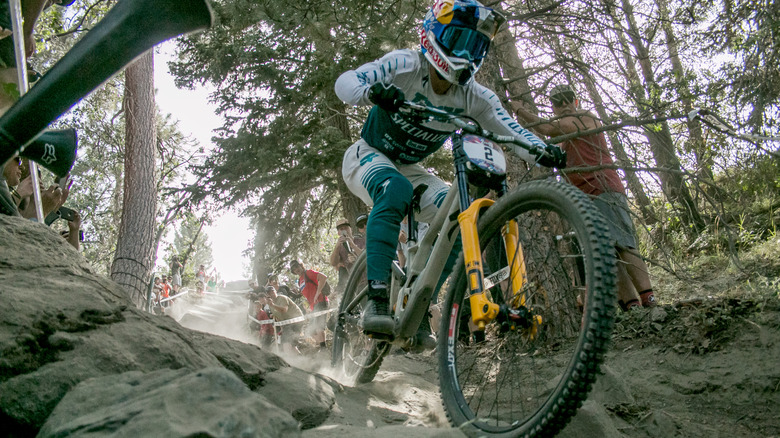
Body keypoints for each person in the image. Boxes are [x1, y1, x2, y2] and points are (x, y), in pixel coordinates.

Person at [334, 0, 566, 338]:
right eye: (457, 39)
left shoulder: (475, 96)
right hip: (366, 154)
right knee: (394, 189)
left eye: (475, 45)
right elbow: (346, 82)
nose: (465, 52)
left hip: (412, 168)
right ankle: (377, 301)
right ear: (433, 35)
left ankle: (419, 302)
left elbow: (512, 132)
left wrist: (543, 151)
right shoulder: (404, 64)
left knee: (460, 216)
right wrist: (372, 92)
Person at [513, 83, 656, 310]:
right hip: (585, 198)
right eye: (558, 102)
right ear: (553, 107)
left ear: (576, 101)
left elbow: (547, 128)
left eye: (568, 99)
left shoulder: (584, 118)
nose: (564, 105)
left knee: (624, 245)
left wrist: (519, 109)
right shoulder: (564, 133)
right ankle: (632, 306)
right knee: (605, 253)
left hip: (604, 189)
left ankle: (649, 299)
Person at [289, 259, 330, 351]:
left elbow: (323, 277)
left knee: (319, 327)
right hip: (314, 306)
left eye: (297, 266)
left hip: (321, 301)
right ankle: (322, 347)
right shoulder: (300, 281)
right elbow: (308, 293)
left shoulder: (309, 273)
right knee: (310, 331)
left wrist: (318, 292)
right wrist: (308, 306)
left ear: (301, 265)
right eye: (294, 269)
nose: (296, 269)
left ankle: (323, 349)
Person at [262, 285, 304, 355]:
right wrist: (282, 327)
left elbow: (284, 310)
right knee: (292, 345)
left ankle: (290, 361)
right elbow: (277, 316)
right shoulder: (270, 304)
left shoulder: (282, 298)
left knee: (286, 343)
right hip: (287, 323)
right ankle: (301, 359)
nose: (271, 294)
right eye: (269, 293)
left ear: (275, 291)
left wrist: (273, 305)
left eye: (272, 292)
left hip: (295, 320)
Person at [329, 218, 365, 296]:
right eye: (341, 229)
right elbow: (333, 263)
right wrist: (337, 246)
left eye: (346, 228)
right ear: (338, 233)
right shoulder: (340, 248)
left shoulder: (362, 240)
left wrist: (352, 245)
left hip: (370, 278)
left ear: (351, 229)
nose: (344, 230)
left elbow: (367, 256)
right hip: (357, 284)